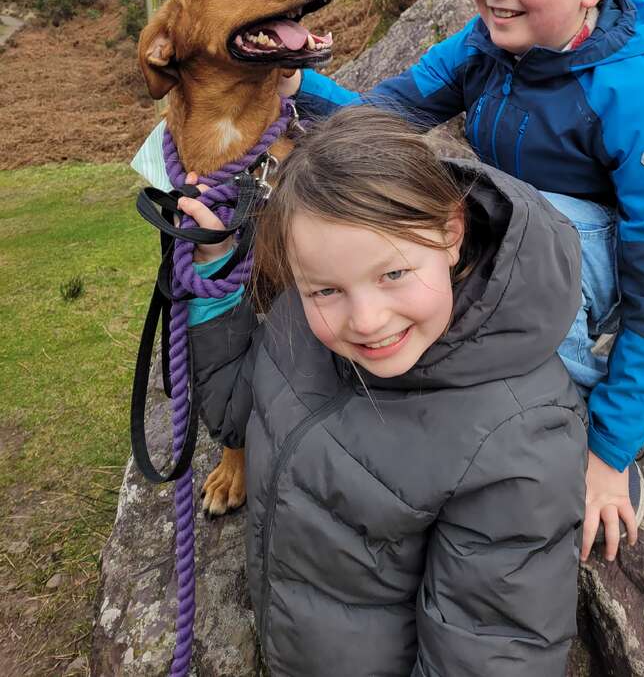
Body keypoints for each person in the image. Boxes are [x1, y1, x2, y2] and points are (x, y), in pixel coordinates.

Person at [279, 0, 644, 561]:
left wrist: (612, 449)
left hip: (595, 259)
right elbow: (389, 114)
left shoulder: (639, 95)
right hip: (521, 231)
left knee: (533, 217)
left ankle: (568, 416)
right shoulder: (483, 46)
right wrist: (297, 90)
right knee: (471, 212)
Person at [179, 106, 587, 677]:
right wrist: (215, 268)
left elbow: (489, 651)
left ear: (450, 232)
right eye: (326, 289)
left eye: (393, 274)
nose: (365, 321)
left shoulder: (519, 443)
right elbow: (234, 415)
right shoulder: (301, 317)